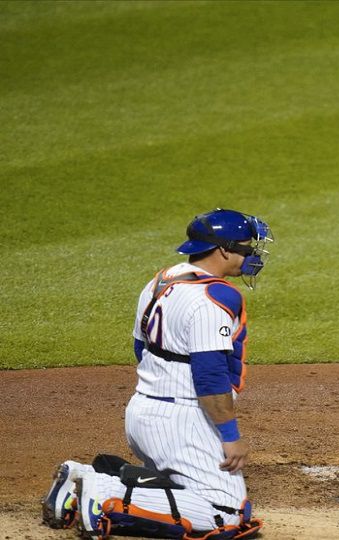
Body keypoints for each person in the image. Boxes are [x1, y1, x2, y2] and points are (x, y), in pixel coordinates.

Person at [41, 208, 273, 538]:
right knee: (227, 516)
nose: (250, 255)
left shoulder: (160, 281)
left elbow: (141, 349)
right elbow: (210, 378)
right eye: (246, 248)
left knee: (181, 489)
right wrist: (231, 436)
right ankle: (104, 491)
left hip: (142, 412)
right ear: (223, 249)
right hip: (184, 421)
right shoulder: (215, 297)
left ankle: (80, 478)